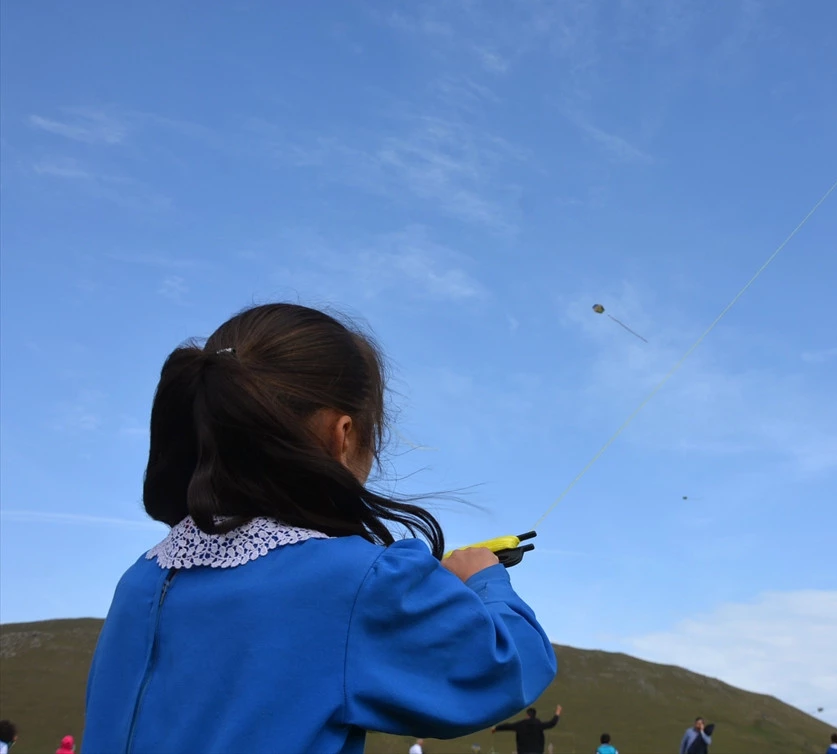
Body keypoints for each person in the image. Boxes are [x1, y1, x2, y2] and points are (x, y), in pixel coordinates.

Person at [81, 303, 558, 754]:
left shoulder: (140, 579)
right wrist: (485, 578)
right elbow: (506, 666)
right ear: (343, 434)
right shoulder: (356, 581)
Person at [492, 705, 562, 754]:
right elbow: (552, 723)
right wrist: (558, 711)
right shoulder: (539, 725)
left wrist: (496, 728)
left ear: (527, 715)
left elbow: (507, 726)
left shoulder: (520, 724)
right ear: (535, 715)